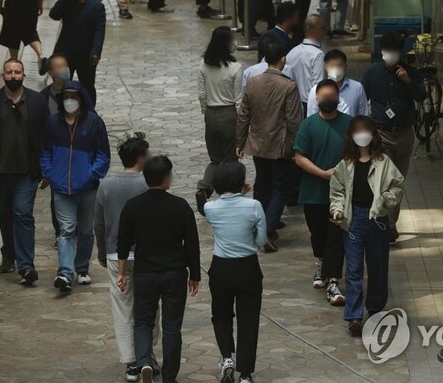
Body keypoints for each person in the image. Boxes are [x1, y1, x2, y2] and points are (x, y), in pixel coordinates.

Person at [116, 156, 201, 383]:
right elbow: (191, 243)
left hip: (145, 273)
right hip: (174, 272)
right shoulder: (180, 206)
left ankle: (143, 362)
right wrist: (195, 275)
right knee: (172, 326)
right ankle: (169, 376)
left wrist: (122, 273)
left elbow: (123, 242)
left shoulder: (133, 206)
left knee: (143, 321)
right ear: (166, 178)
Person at [0, 58, 49, 285]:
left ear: (24, 75)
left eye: (17, 72)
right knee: (5, 214)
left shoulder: (36, 102)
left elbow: (47, 137)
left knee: (22, 214)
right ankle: (9, 254)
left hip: (27, 173)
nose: (13, 76)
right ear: (3, 75)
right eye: (9, 72)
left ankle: (26, 266)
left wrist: (47, 169)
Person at [95, 133, 162, 382]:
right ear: (141, 158)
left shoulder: (106, 184)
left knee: (123, 309)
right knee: (149, 307)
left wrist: (101, 251)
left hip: (115, 254)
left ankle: (131, 363)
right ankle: (148, 354)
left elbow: (99, 223)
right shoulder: (148, 184)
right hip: (146, 255)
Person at [330, 117, 403, 334]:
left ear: (373, 134)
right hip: (353, 219)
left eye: (366, 131)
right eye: (358, 131)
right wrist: (337, 209)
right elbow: (337, 190)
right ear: (351, 136)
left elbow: (397, 187)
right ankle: (354, 316)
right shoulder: (345, 164)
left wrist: (383, 202)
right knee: (353, 268)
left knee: (378, 267)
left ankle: (374, 310)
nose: (362, 135)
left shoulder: (384, 162)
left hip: (377, 219)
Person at [40, 81, 111, 294]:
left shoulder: (94, 122)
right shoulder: (52, 122)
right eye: (66, 96)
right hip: (61, 187)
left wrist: (92, 174)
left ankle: (82, 268)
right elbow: (44, 151)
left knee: (86, 230)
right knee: (66, 229)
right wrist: (49, 172)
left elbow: (103, 153)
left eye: (74, 95)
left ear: (81, 98)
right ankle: (65, 272)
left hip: (87, 187)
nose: (70, 100)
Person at [200, 162, 266, 383]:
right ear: (242, 181)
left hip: (221, 267)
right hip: (248, 266)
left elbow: (212, 203)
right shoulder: (254, 206)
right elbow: (261, 240)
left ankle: (227, 357)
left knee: (221, 315)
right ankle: (245, 373)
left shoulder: (211, 209)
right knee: (248, 319)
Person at [237, 43, 303, 251]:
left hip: (257, 144)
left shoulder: (253, 83)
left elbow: (243, 116)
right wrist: (297, 147)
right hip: (280, 145)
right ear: (282, 59)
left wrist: (239, 142)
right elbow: (294, 121)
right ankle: (266, 230)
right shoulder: (288, 86)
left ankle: (260, 225)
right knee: (281, 187)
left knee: (263, 183)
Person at [360, 32, 424, 240]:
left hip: (404, 134)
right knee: (384, 180)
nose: (391, 55)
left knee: (398, 182)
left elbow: (422, 96)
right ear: (382, 51)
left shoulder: (411, 73)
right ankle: (385, 222)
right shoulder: (372, 74)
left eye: (395, 51)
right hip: (381, 134)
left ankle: (389, 223)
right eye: (387, 51)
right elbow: (362, 100)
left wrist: (407, 82)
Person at [293, 79, 352, 305]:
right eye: (323, 96)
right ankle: (321, 264)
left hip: (341, 193)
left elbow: (357, 152)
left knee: (336, 235)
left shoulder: (349, 124)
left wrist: (339, 171)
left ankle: (333, 280)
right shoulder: (308, 125)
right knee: (318, 233)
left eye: (332, 96)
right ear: (316, 99)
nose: (328, 100)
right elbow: (299, 156)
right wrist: (322, 173)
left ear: (338, 99)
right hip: (313, 192)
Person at [196, 26, 243, 211]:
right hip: (229, 115)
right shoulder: (235, 68)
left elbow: (201, 93)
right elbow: (238, 99)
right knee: (231, 160)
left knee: (215, 160)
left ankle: (204, 189)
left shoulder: (204, 64)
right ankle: (229, 197)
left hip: (211, 115)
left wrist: (205, 112)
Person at [50, 0, 106, 106]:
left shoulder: (96, 7)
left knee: (87, 86)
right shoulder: (67, 2)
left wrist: (96, 52)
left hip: (86, 55)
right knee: (60, 85)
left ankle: (90, 114)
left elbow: (99, 31)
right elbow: (54, 15)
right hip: (65, 53)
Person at [40, 53, 71, 242]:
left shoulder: (79, 93)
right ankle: (60, 231)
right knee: (58, 195)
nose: (63, 70)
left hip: (78, 153)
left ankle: (74, 228)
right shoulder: (42, 98)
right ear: (50, 72)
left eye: (65, 66)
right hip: (56, 154)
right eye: (58, 67)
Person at [306, 49, 368, 117]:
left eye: (339, 65)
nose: (336, 69)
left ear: (345, 66)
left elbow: (363, 115)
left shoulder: (357, 88)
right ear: (326, 67)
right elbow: (312, 116)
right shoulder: (316, 90)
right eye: (332, 66)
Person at [286, 14, 326, 115]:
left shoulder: (292, 52)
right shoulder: (318, 55)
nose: (324, 32)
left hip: (293, 103)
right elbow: (318, 85)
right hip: (309, 105)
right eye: (323, 29)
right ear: (316, 31)